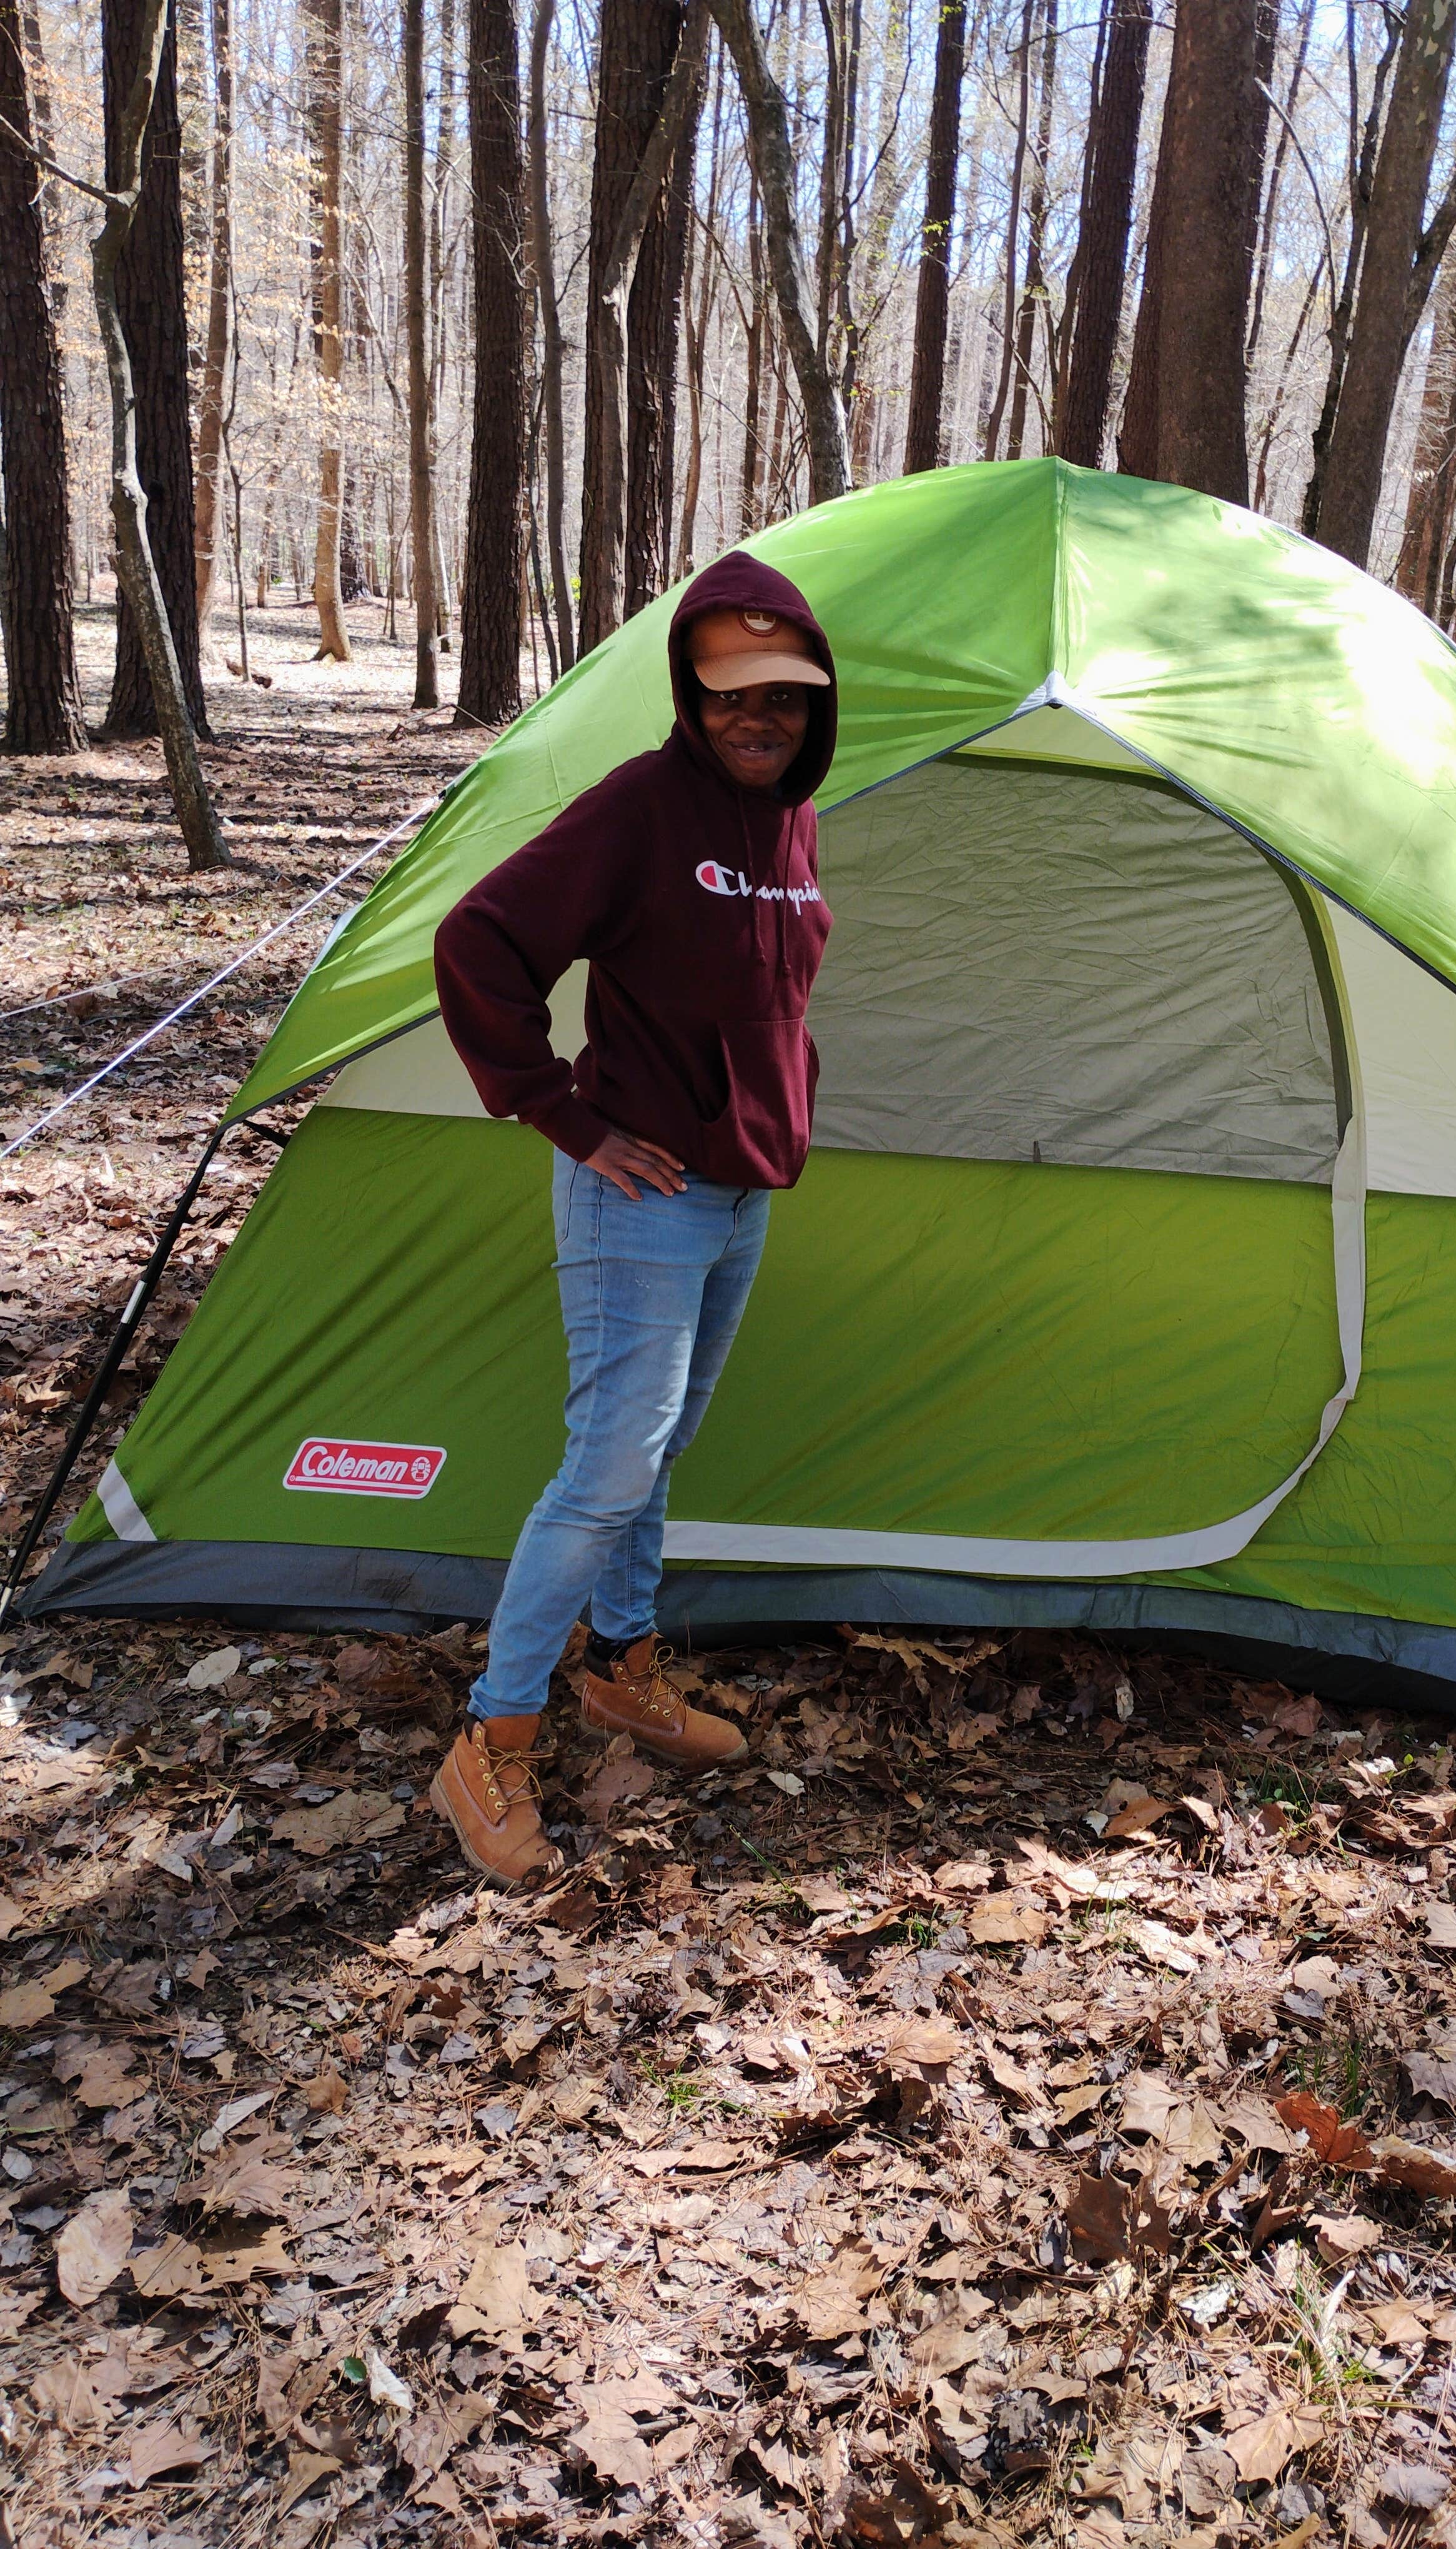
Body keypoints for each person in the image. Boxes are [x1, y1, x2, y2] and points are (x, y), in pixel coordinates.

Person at [427, 555, 836, 1884]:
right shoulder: (643, 808)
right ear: (690, 698)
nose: (757, 719)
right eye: (731, 697)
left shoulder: (795, 825)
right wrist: (567, 1117)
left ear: (815, 702)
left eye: (782, 695)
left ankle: (624, 1669)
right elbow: (479, 942)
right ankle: (491, 1743)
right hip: (636, 1200)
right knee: (607, 1468)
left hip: (737, 1194)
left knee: (659, 1452)